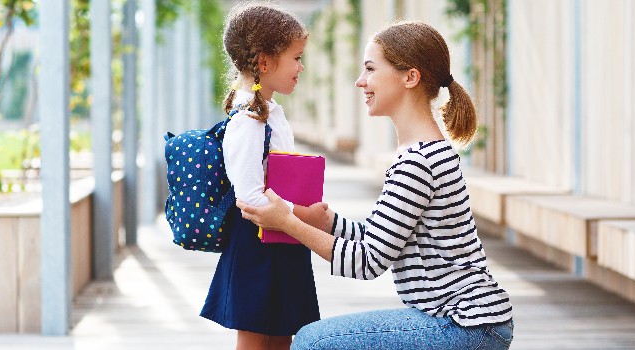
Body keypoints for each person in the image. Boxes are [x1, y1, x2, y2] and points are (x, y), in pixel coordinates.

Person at [237, 21, 514, 350]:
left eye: (370, 69)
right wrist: (329, 222)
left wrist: (288, 223)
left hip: (462, 323)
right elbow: (382, 237)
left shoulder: (416, 162)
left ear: (410, 77)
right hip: (475, 320)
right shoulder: (424, 151)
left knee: (313, 341)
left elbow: (367, 262)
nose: (360, 81)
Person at [200, 3, 328, 350]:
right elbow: (250, 200)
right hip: (258, 243)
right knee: (256, 335)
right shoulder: (248, 122)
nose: (301, 67)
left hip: (282, 239)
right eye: (296, 58)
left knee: (282, 332)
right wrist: (307, 217)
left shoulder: (269, 113)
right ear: (264, 62)